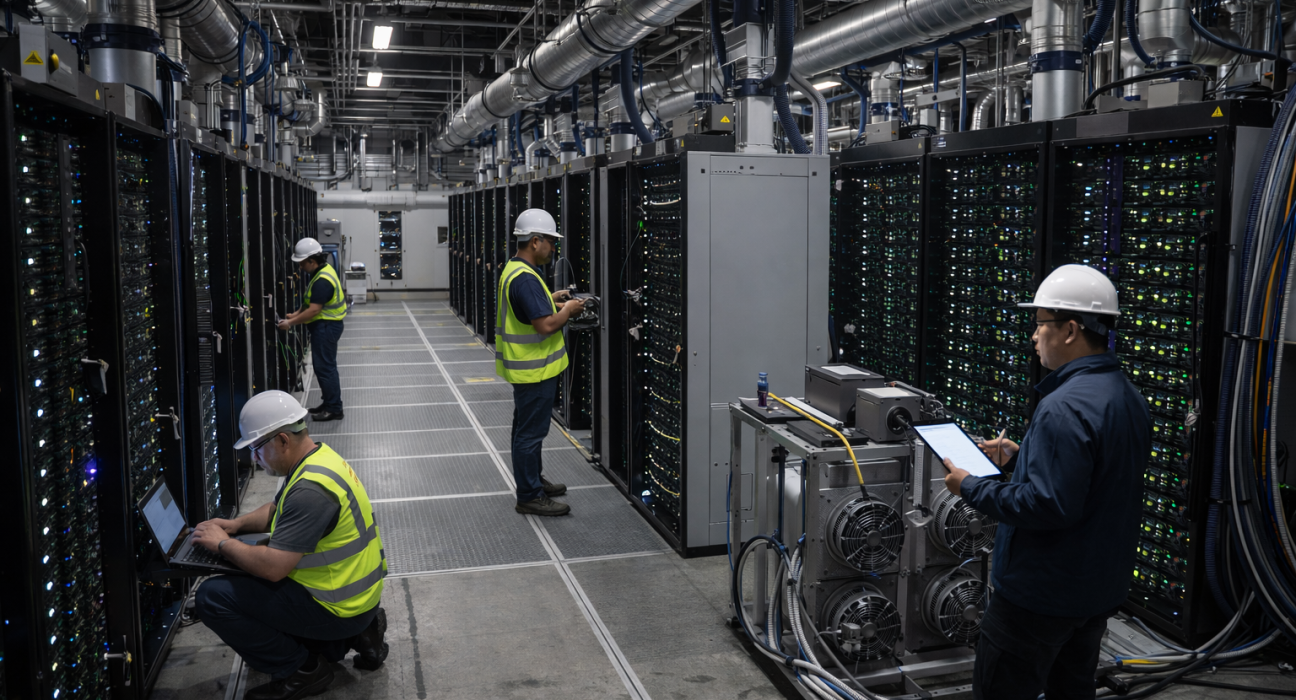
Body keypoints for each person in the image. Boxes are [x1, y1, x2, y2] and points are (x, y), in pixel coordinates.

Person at [941, 264, 1152, 700]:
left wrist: (969, 486)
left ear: (1071, 329)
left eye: (1041, 324)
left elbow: (1046, 505)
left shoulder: (1063, 406)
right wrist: (1023, 458)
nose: (1034, 336)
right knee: (1071, 690)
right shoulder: (1128, 397)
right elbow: (1098, 481)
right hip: (1095, 591)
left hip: (1039, 597)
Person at [192, 390, 388, 700]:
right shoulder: (319, 459)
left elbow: (273, 568)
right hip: (359, 598)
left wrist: (222, 545)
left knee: (214, 596)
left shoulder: (310, 491)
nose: (254, 459)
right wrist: (236, 526)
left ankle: (302, 672)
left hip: (339, 608)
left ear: (283, 440)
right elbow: (276, 510)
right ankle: (361, 635)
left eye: (257, 448)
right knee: (247, 565)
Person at [496, 208, 586, 517]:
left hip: (528, 369)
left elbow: (529, 308)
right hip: (534, 370)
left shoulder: (515, 269)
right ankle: (529, 495)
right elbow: (545, 325)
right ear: (535, 241)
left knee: (525, 430)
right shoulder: (525, 278)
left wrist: (551, 298)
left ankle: (532, 481)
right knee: (530, 434)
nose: (553, 248)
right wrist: (568, 310)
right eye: (551, 241)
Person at [278, 238, 347, 422]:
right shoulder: (322, 271)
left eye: (302, 263)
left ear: (312, 260)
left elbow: (314, 310)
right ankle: (329, 403)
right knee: (323, 367)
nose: (300, 267)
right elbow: (310, 301)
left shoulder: (322, 280)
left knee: (325, 368)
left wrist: (291, 323)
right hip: (326, 326)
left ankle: (334, 408)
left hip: (327, 327)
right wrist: (295, 314)